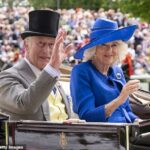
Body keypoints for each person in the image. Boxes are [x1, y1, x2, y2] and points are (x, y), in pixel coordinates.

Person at [0, 10, 72, 121]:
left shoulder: (54, 78)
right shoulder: (6, 77)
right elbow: (25, 105)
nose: (46, 51)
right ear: (26, 45)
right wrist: (52, 69)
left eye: (51, 45)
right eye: (41, 43)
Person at [70, 18, 140, 123]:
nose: (110, 50)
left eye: (114, 45)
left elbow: (125, 111)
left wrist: (139, 121)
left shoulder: (117, 71)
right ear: (94, 49)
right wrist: (119, 99)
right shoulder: (81, 72)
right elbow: (87, 115)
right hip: (104, 136)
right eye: (103, 45)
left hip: (127, 131)